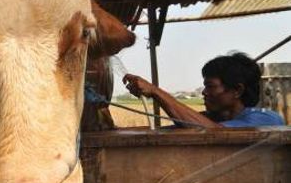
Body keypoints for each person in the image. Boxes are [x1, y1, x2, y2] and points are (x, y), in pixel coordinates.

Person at [122, 52, 285, 128]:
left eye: (211, 86)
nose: (204, 92)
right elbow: (181, 127)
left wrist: (156, 92)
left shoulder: (266, 120)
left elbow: (213, 132)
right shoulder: (211, 119)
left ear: (237, 91)